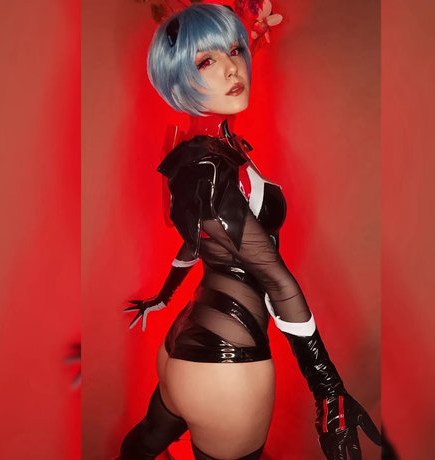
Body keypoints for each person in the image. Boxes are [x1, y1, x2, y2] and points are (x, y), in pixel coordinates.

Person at [120, 4, 381, 460]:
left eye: (235, 50)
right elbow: (276, 280)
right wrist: (329, 393)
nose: (231, 67)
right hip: (226, 367)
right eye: (207, 60)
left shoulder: (210, 152)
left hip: (185, 344)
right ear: (176, 80)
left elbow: (198, 242)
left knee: (146, 440)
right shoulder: (207, 166)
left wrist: (163, 296)